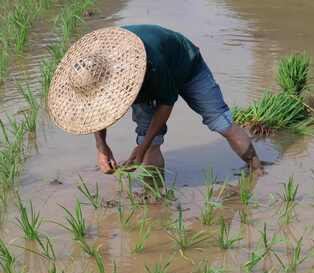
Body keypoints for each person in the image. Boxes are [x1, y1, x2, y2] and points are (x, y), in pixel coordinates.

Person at [47, 24, 262, 175]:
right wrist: (101, 147)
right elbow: (97, 112)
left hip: (186, 65)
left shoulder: (146, 61)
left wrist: (141, 148)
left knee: (220, 122)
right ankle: (155, 200)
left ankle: (257, 169)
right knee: (149, 143)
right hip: (142, 79)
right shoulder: (98, 66)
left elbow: (167, 103)